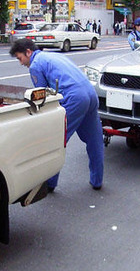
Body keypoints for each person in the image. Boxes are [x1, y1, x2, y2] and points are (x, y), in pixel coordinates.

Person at [10, 38, 104, 191]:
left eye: (20, 58)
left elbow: (41, 97)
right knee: (95, 141)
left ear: (28, 52)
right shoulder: (54, 56)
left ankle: (49, 184)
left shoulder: (35, 65)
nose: (21, 63)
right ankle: (97, 181)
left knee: (56, 141)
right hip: (91, 94)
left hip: (75, 98)